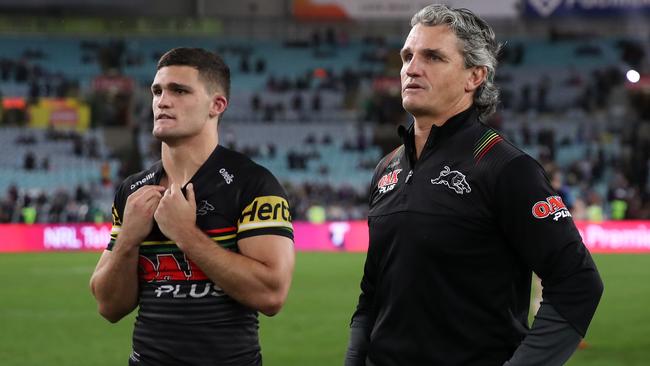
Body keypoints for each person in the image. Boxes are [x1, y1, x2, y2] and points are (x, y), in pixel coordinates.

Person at [345, 5, 603, 366]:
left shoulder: (507, 168)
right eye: (407, 55)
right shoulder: (386, 169)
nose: (411, 68)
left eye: (433, 57)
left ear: (475, 76)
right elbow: (371, 294)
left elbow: (578, 283)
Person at [90, 47, 295, 365]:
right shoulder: (132, 191)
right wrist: (128, 240)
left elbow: (270, 295)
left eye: (179, 90)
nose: (162, 101)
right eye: (157, 90)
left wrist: (185, 234)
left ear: (217, 105)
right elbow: (108, 306)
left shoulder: (254, 185)